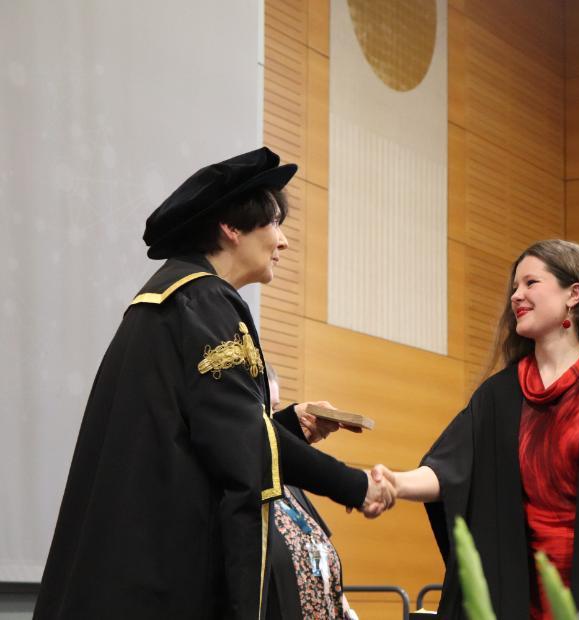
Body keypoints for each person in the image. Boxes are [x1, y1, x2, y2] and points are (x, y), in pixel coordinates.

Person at [35, 147, 394, 620]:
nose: (283, 241)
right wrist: (353, 484)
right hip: (158, 578)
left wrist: (288, 422)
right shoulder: (205, 301)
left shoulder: (175, 297)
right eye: (274, 224)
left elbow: (202, 425)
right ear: (232, 228)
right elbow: (240, 441)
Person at [373, 239, 579, 620]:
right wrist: (395, 483)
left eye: (530, 283)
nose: (515, 296)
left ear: (574, 294)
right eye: (514, 287)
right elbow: (451, 469)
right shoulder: (498, 396)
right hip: (518, 600)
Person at [265, 364, 359, 619]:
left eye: (274, 409)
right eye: (264, 411)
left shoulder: (290, 481)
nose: (271, 421)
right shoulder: (247, 485)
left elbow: (320, 545)